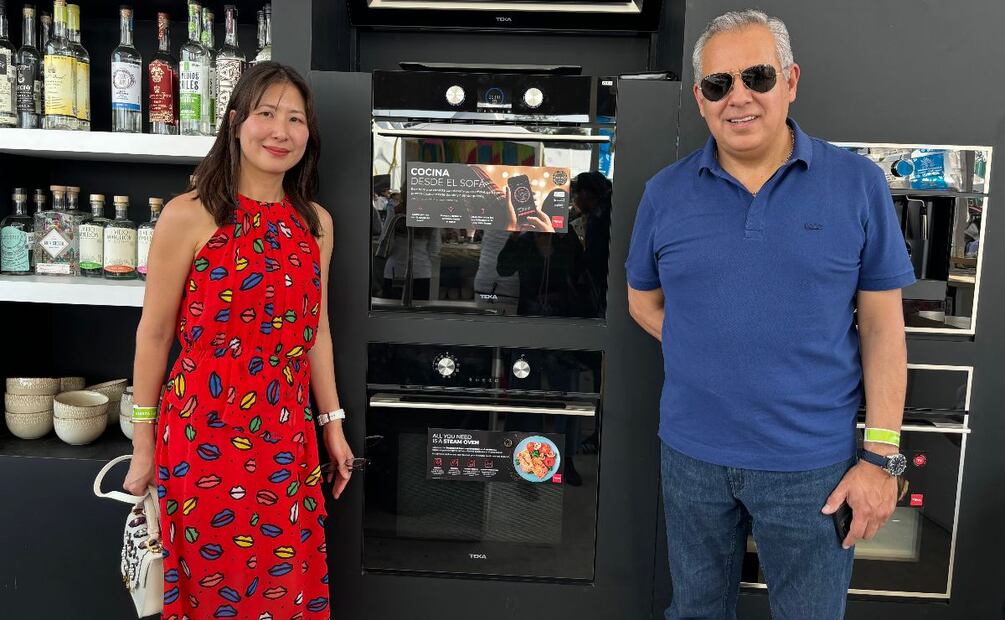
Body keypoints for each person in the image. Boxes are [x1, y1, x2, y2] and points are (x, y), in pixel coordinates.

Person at [625, 10, 916, 619]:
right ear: (701, 100)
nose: (739, 97)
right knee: (695, 612)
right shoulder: (665, 193)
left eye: (757, 76)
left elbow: (885, 328)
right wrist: (702, 345)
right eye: (718, 84)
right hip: (691, 458)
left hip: (812, 465)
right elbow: (642, 301)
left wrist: (881, 458)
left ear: (790, 80)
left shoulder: (856, 184)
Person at [122, 62, 353, 619]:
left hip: (285, 433)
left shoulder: (315, 224)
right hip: (203, 431)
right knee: (210, 579)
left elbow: (314, 331)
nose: (281, 131)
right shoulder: (189, 215)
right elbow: (154, 335)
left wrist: (334, 427)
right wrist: (144, 443)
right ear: (235, 123)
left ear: (308, 134)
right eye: (266, 114)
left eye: (295, 119)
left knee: (283, 581)